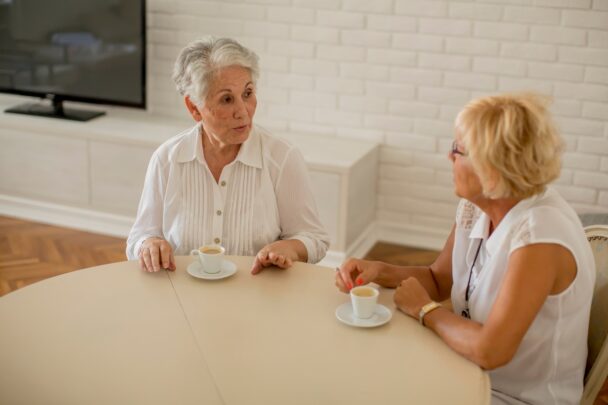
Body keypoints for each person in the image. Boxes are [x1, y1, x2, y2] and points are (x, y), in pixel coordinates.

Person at [336, 93, 595, 405]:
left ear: (491, 167)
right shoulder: (479, 207)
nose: (449, 157)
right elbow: (438, 279)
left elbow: (490, 351)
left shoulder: (539, 237)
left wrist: (425, 310)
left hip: (513, 396)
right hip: (467, 370)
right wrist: (379, 270)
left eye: (456, 150)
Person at [127, 37, 329, 274]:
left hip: (259, 297)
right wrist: (148, 244)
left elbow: (314, 238)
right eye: (226, 99)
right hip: (183, 296)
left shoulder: (282, 158)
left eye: (248, 93)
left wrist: (290, 248)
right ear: (194, 108)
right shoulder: (166, 159)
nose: (243, 112)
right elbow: (139, 238)